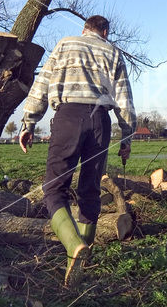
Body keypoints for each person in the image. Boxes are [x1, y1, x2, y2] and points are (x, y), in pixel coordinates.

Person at [19, 15, 136, 287]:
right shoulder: (113, 52)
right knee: (90, 189)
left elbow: (42, 83)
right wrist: (127, 136)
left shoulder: (65, 44)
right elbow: (124, 98)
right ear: (105, 31)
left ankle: (73, 247)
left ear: (85, 29)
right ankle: (83, 256)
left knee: (54, 188)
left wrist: (28, 122)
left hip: (68, 117)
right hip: (100, 122)